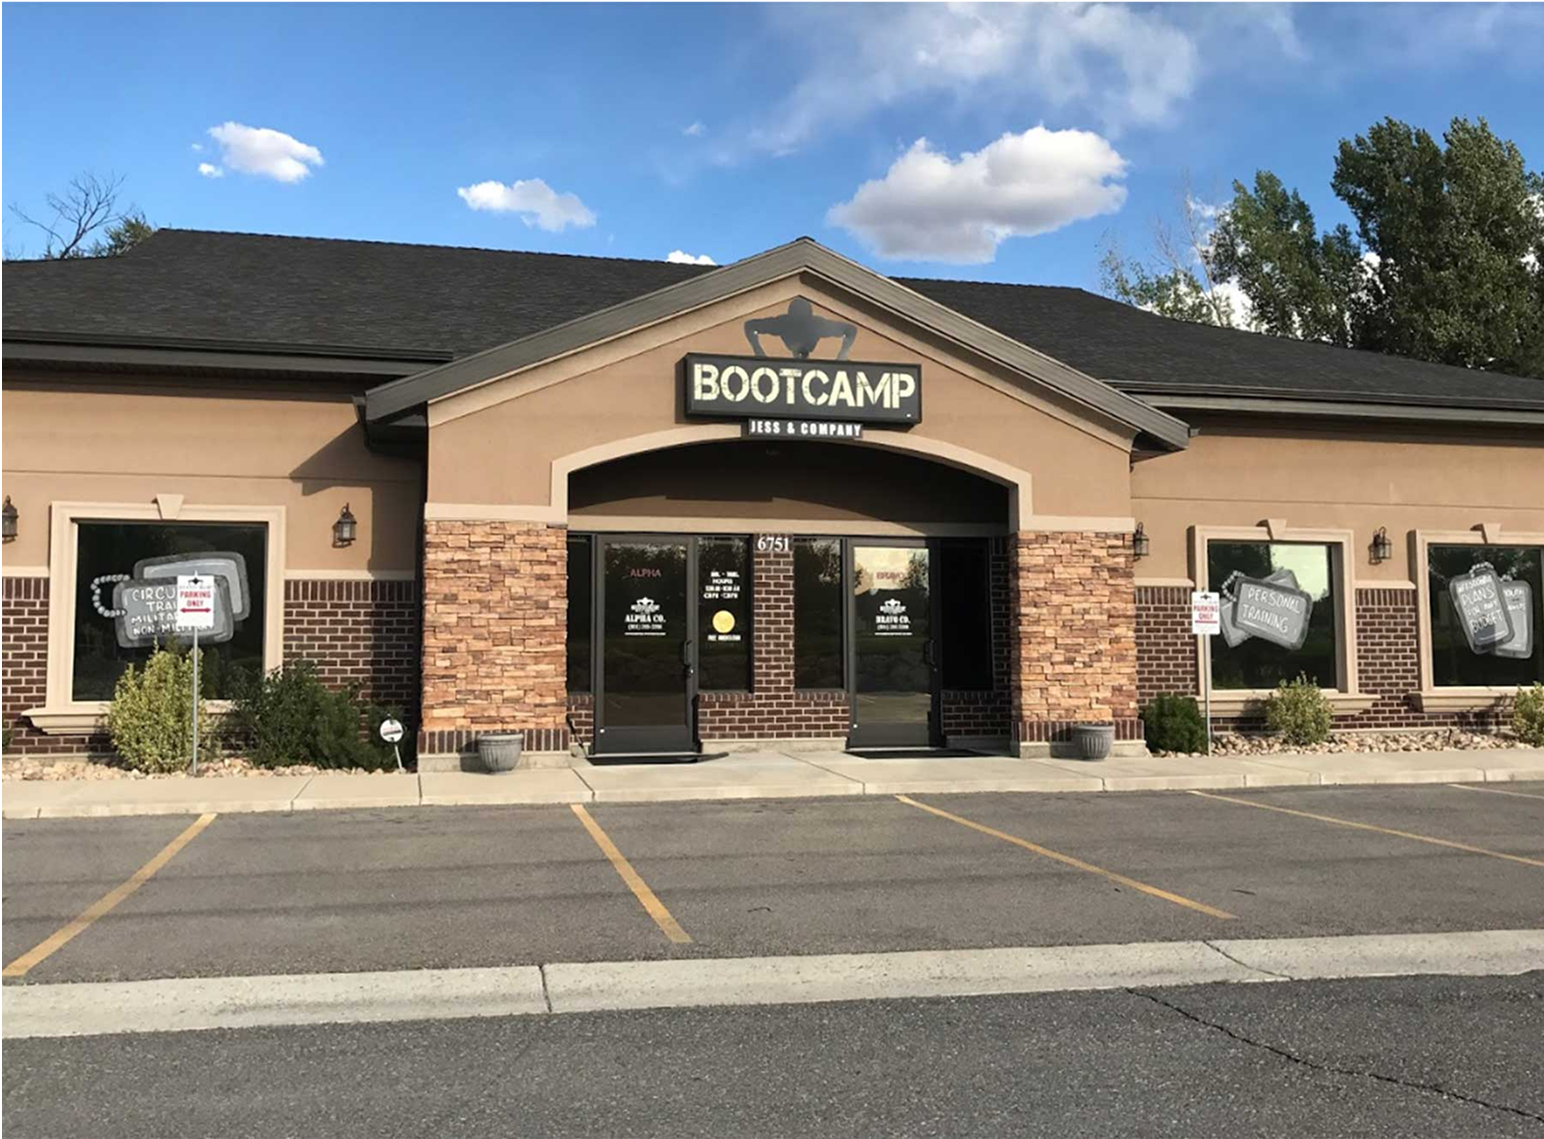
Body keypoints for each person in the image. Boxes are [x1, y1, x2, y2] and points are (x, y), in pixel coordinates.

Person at [743, 298, 856, 360]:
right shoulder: (783, 323)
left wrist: (843, 354)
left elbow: (851, 330)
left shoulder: (817, 324)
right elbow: (750, 325)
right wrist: (758, 351)